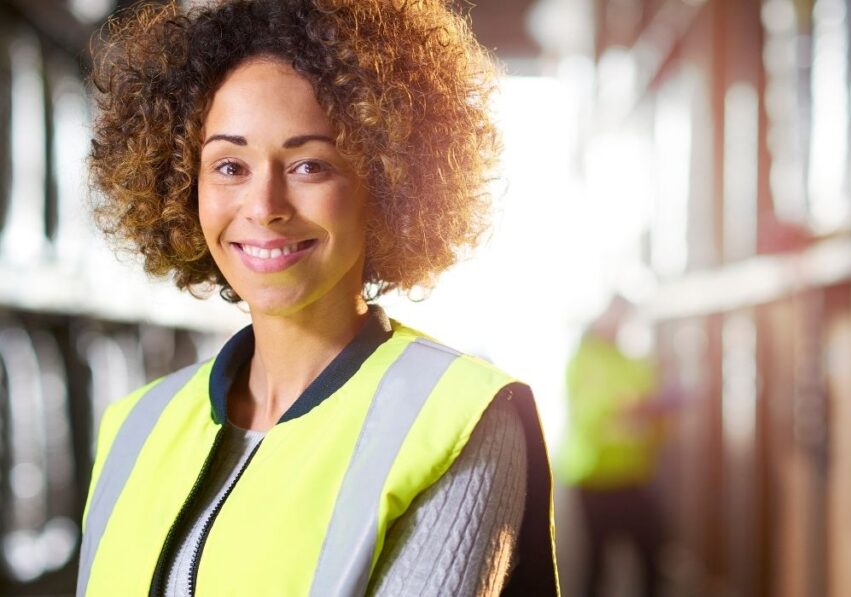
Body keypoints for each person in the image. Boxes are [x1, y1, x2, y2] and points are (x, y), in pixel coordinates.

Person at [76, 1, 558, 595]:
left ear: (384, 184)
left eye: (309, 164)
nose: (264, 205)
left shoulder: (457, 420)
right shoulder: (133, 428)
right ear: (183, 185)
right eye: (229, 166)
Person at [557, 295, 667, 597]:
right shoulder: (583, 359)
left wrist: (649, 410)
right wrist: (626, 409)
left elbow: (651, 405)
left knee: (652, 554)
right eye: (614, 316)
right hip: (593, 476)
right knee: (596, 562)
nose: (618, 324)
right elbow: (589, 411)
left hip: (633, 475)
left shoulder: (630, 361)